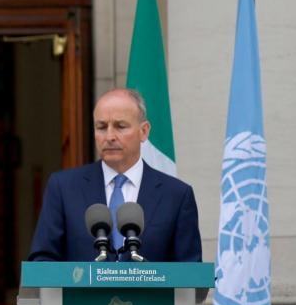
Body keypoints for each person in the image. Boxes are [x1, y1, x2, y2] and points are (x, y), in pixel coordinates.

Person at [28, 87, 201, 263]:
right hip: (84, 292)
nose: (110, 136)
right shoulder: (63, 188)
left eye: (120, 126)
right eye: (102, 127)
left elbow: (190, 273)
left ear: (144, 131)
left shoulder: (177, 195)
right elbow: (43, 261)